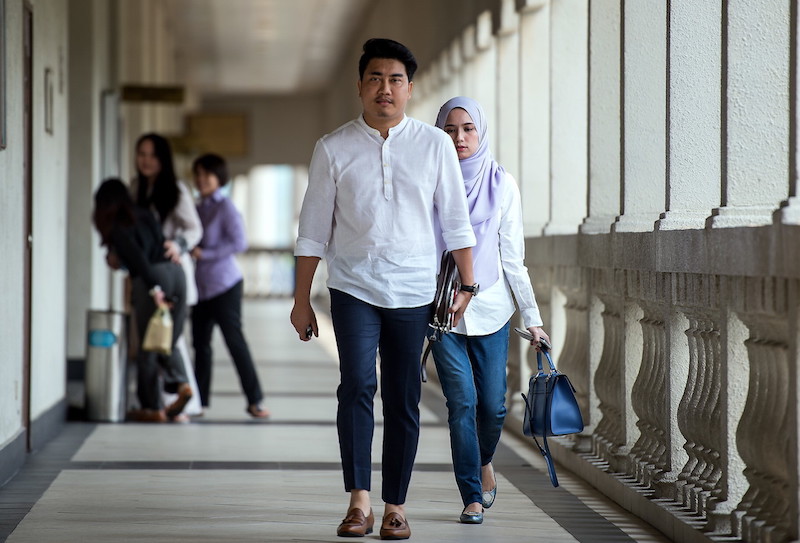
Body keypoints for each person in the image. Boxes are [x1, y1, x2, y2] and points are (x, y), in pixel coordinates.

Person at [290, 38, 477, 540]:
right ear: (360, 86)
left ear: (410, 88)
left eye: (395, 79)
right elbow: (312, 230)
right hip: (353, 287)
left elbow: (456, 221)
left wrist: (468, 284)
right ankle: (359, 502)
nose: (385, 88)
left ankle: (396, 506)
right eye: (375, 78)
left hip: (414, 291)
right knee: (355, 386)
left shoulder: (434, 145)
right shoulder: (333, 148)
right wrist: (301, 299)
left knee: (403, 397)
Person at [432, 96, 550, 524]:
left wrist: (533, 319)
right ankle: (471, 496)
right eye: (449, 129)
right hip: (442, 312)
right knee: (461, 402)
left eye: (468, 129)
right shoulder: (429, 179)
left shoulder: (502, 184)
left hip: (492, 311)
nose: (459, 138)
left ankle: (484, 459)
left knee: (494, 406)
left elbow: (513, 258)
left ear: (480, 133)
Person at [92, 178, 194, 422]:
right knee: (168, 337)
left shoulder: (118, 226)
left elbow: (139, 258)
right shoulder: (144, 214)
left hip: (152, 276)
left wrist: (154, 288)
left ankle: (152, 407)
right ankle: (181, 383)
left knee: (149, 344)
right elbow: (157, 243)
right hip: (177, 272)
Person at [190, 153, 269, 418]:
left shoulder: (225, 207)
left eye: (207, 174)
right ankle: (199, 403)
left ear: (219, 178)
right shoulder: (197, 207)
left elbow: (240, 242)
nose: (201, 179)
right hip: (200, 288)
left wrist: (206, 253)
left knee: (235, 343)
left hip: (225, 285)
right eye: (198, 174)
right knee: (200, 346)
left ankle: (255, 400)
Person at [132, 133, 203, 418]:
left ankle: (179, 401)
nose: (146, 160)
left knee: (169, 339)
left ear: (163, 159)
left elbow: (194, 228)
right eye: (142, 154)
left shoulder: (176, 189)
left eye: (152, 155)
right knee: (157, 339)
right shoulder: (135, 188)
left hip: (172, 270)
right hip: (146, 271)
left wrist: (178, 245)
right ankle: (164, 403)